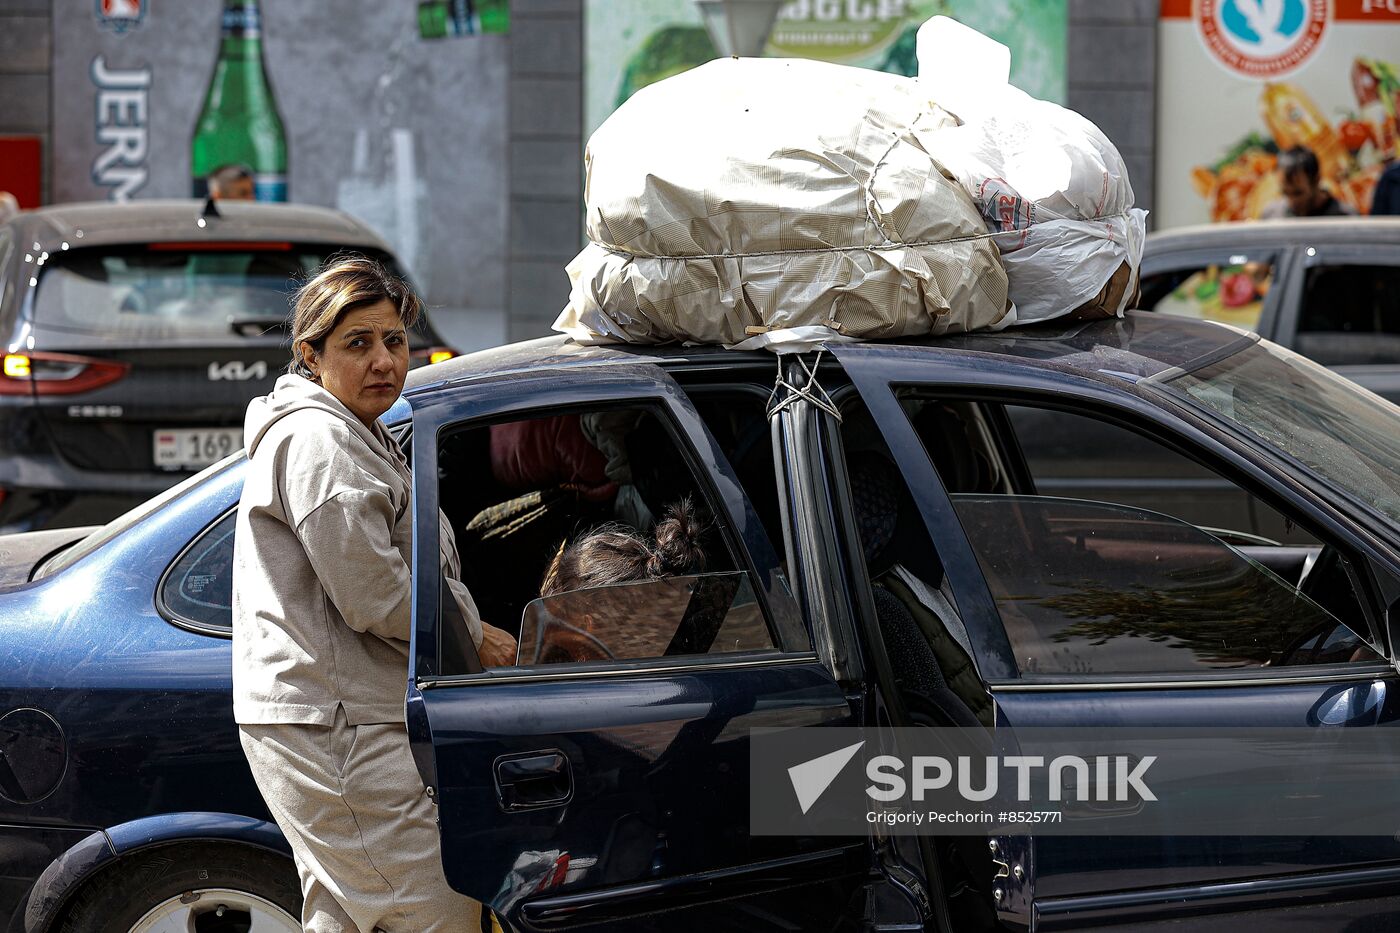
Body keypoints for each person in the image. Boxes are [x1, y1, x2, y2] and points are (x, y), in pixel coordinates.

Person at [232, 256, 516, 932]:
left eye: (393, 340)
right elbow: (374, 591)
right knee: (434, 905)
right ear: (311, 353)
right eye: (357, 343)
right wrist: (472, 635)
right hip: (337, 720)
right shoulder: (322, 440)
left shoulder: (359, 430)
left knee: (350, 909)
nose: (384, 360)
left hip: (342, 711)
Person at [1260, 146, 1354, 218]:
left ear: (1316, 180)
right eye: (1285, 192)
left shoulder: (1345, 218)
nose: (1291, 201)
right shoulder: (1272, 216)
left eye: (1298, 193)